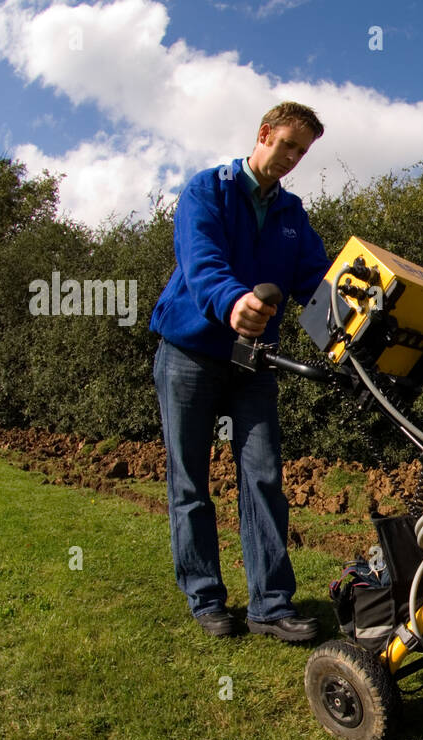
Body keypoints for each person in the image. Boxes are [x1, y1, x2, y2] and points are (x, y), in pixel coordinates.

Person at [149, 102, 330, 642]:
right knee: (190, 481)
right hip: (190, 352)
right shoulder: (208, 190)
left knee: (263, 477)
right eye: (287, 144)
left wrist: (361, 320)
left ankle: (271, 606)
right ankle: (206, 598)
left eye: (302, 152)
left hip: (253, 363)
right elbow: (201, 263)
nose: (292, 158)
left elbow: (316, 286)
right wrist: (233, 304)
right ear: (264, 134)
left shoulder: (292, 215)